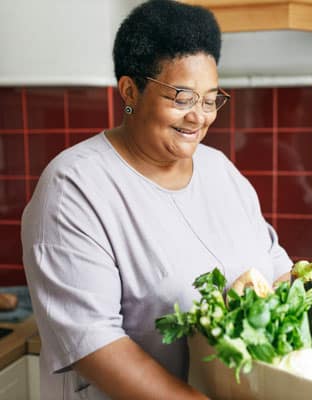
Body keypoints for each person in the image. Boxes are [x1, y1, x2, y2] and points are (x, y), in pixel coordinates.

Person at [21, 0, 292, 399]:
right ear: (131, 90)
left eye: (210, 98)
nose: (199, 117)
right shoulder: (74, 188)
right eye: (182, 98)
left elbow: (278, 274)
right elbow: (95, 343)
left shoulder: (221, 172)